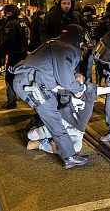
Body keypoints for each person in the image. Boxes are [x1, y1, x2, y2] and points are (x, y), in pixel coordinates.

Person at [13, 24, 91, 169]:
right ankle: (69, 156)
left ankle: (32, 132)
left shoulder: (54, 44)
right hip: (32, 82)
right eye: (82, 42)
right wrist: (78, 88)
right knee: (54, 118)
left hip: (29, 80)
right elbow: (65, 79)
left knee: (50, 109)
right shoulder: (66, 48)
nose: (82, 45)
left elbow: (54, 71)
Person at [27, 74, 110, 153]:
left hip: (77, 131)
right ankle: (49, 137)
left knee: (74, 149)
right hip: (60, 124)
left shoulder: (90, 92)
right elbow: (46, 85)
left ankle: (42, 144)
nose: (77, 91)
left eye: (80, 87)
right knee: (32, 135)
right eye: (75, 87)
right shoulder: (65, 89)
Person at [0, 4, 29, 109]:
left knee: (10, 78)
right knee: (25, 78)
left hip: (15, 55)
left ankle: (11, 101)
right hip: (25, 54)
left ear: (9, 12)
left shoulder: (11, 24)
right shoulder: (24, 22)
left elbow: (7, 41)